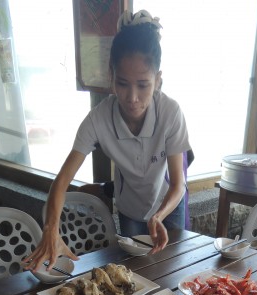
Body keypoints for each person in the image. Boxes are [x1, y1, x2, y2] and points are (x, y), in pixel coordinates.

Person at [24, 9, 191, 271]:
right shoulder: (98, 120)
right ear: (111, 76)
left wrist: (159, 215)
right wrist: (51, 229)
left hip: (168, 203)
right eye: (123, 83)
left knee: (173, 267)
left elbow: (178, 184)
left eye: (143, 85)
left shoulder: (170, 112)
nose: (132, 97)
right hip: (129, 207)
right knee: (135, 272)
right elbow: (61, 182)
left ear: (158, 81)